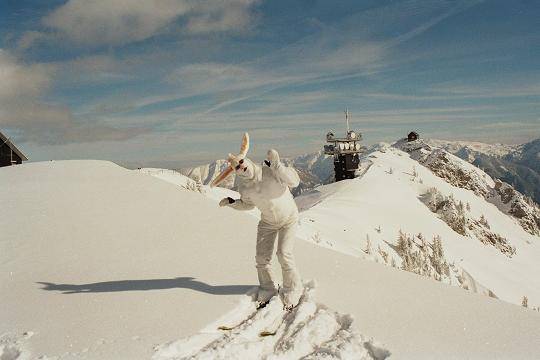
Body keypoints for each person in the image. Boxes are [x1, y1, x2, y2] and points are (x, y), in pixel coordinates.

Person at [214, 134, 302, 310]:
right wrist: (233, 203)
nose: (240, 167)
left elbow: (294, 181)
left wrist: (279, 167)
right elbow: (248, 205)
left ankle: (293, 289)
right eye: (236, 167)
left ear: (246, 159)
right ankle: (268, 289)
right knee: (262, 258)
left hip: (289, 218)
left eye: (241, 162)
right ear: (234, 171)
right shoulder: (244, 187)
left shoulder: (269, 170)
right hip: (267, 223)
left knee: (284, 254)